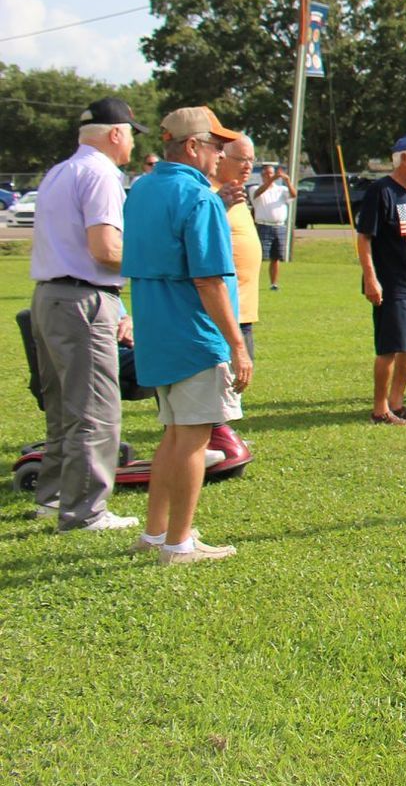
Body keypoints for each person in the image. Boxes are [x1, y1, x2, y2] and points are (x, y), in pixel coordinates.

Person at [123, 107, 251, 564]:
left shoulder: (142, 189)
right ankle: (178, 543)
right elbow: (210, 279)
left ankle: (156, 532)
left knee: (173, 436)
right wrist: (238, 345)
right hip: (195, 334)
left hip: (157, 331)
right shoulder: (199, 199)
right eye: (216, 146)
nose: (222, 154)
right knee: (195, 439)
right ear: (193, 146)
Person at [27, 96, 141, 531]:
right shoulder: (102, 175)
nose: (130, 143)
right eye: (130, 133)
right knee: (95, 408)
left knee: (62, 409)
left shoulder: (60, 171)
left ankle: (55, 497)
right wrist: (151, 260)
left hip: (49, 295)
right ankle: (86, 511)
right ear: (115, 134)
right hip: (84, 299)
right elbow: (106, 249)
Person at [356, 132, 406, 426]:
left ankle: (397, 403)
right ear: (404, 158)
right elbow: (364, 238)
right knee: (389, 348)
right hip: (392, 287)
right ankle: (380, 410)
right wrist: (371, 279)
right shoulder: (382, 191)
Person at [213, 136, 261, 366]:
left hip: (243, 311)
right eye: (241, 159)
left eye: (251, 159)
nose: (248, 166)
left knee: (235, 389)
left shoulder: (237, 193)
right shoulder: (212, 194)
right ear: (221, 156)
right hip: (221, 313)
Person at [250, 163, 290, 291]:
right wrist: (271, 180)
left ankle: (274, 283)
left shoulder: (281, 190)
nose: (269, 176)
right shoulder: (255, 188)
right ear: (261, 175)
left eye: (271, 173)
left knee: (276, 257)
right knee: (258, 257)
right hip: (263, 225)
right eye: (266, 174)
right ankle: (252, 282)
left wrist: (288, 182)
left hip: (279, 226)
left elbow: (293, 195)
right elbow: (257, 194)